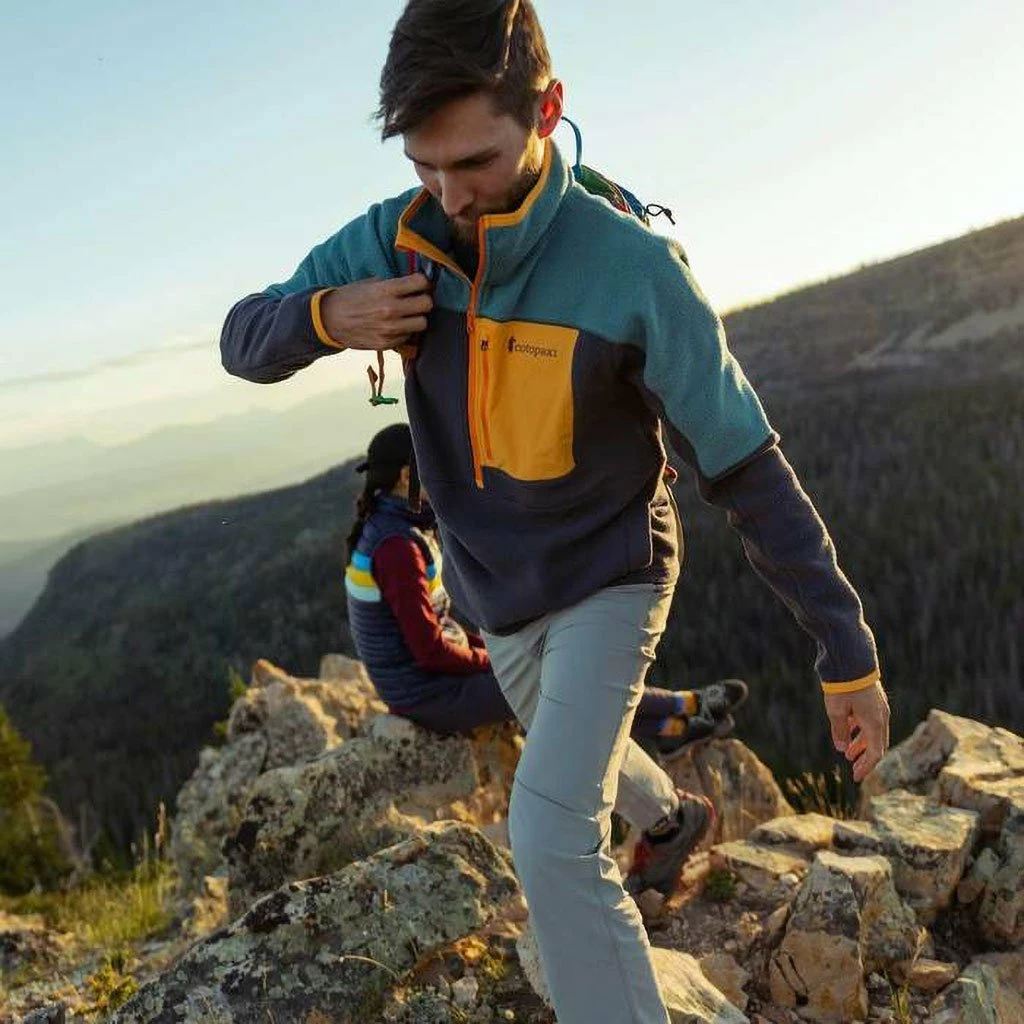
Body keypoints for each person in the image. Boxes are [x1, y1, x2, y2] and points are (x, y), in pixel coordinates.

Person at [220, 3, 890, 1019]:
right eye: (423, 166)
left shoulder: (630, 270)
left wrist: (847, 653)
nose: (449, 196)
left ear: (547, 109)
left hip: (611, 575)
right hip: (494, 594)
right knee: (576, 756)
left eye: (474, 162)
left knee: (547, 833)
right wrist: (327, 316)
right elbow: (241, 339)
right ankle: (671, 818)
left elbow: (747, 470)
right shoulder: (395, 240)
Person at [344, 422, 748, 760]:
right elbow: (428, 650)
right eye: (434, 466)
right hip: (426, 695)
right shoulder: (397, 548)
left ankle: (677, 716)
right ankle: (677, 713)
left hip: (427, 680)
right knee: (563, 688)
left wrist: (487, 653)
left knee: (565, 676)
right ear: (406, 477)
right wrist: (489, 661)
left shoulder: (394, 527)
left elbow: (435, 628)